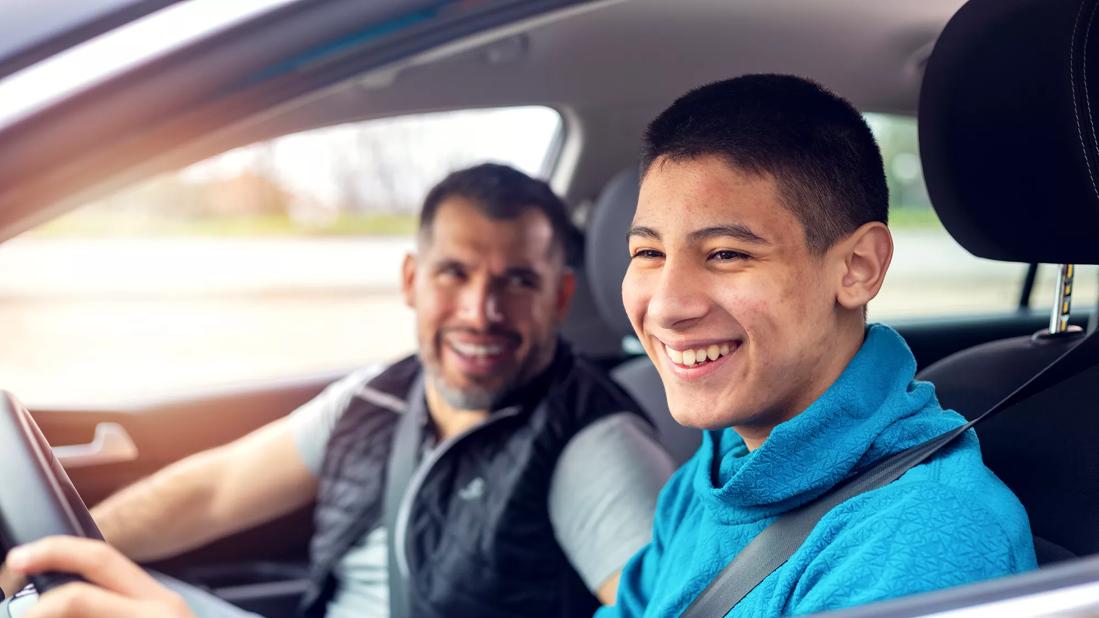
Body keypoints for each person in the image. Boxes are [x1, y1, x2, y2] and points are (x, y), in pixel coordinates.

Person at [4, 163, 674, 618]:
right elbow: (211, 492)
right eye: (454, 273)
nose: (480, 310)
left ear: (558, 296)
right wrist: (52, 553)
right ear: (411, 280)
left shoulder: (593, 446)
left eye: (517, 282)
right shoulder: (378, 396)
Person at [597, 74, 1036, 616]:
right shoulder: (716, 467)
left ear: (857, 268)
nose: (666, 306)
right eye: (647, 253)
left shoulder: (922, 537)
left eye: (728, 254)